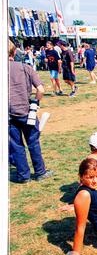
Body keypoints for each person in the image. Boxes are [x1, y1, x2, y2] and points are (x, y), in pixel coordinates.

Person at [8, 40, 53, 183]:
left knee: (16, 146)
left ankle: (23, 176)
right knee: (33, 142)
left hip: (8, 115)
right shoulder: (25, 68)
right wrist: (35, 103)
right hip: (27, 112)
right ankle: (40, 172)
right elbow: (41, 90)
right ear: (14, 52)